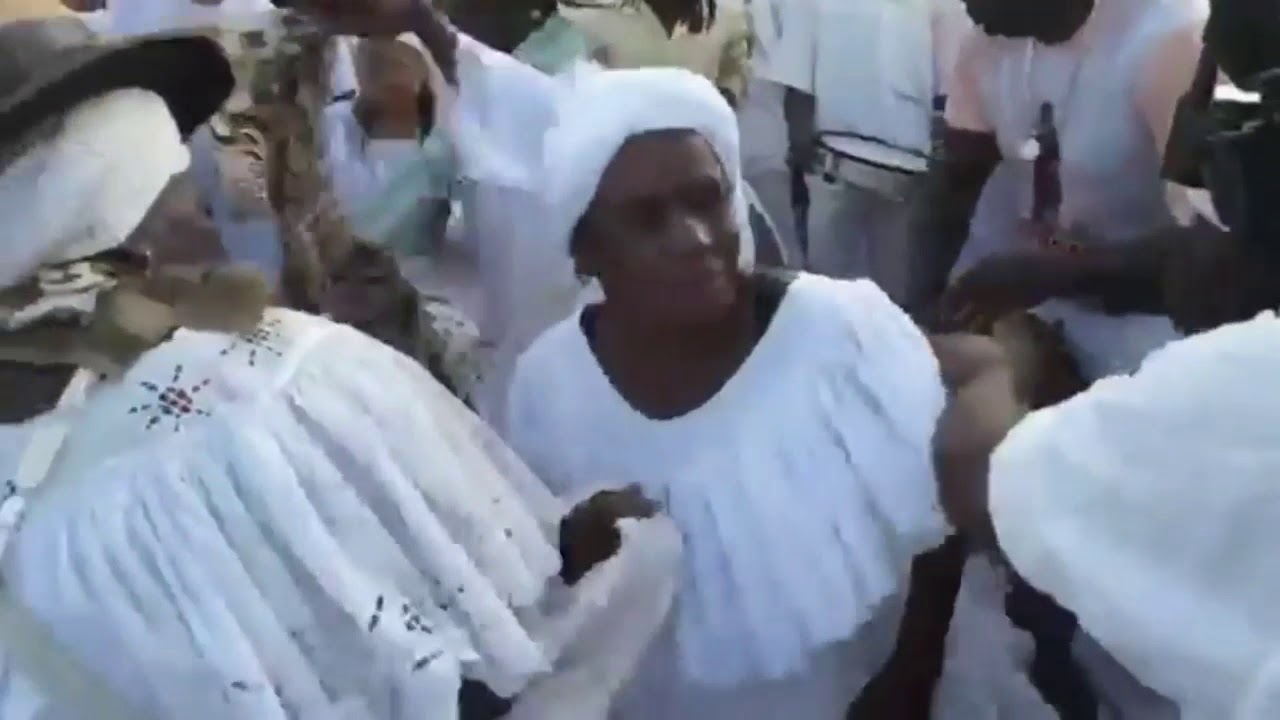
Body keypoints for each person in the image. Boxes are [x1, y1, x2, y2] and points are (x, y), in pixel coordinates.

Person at [0, 5, 683, 717]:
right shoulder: (294, 382)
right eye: (181, 185)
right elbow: (489, 640)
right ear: (119, 205)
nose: (203, 210)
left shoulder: (273, 382)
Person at [502, 61, 1057, 719]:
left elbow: (932, 531)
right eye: (646, 220)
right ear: (586, 250)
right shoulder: (549, 385)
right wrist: (577, 546)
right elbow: (537, 573)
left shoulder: (836, 329)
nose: (695, 238)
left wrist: (910, 678)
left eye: (707, 199)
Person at [918, 0, 1209, 381]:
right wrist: (915, 307)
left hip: (1156, 336)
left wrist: (1058, 274)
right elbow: (954, 189)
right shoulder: (989, 39)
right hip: (1036, 316)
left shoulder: (1170, 38)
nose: (969, 8)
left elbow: (1212, 248)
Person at [772, 0, 971, 301]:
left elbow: (797, 80)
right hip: (878, 161)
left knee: (837, 296)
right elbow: (954, 81)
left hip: (866, 164)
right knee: (876, 300)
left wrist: (801, 148)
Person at [559, 0, 751, 106]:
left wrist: (728, 95)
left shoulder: (727, 13)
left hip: (699, 136)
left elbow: (735, 65)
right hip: (625, 138)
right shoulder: (597, 13)